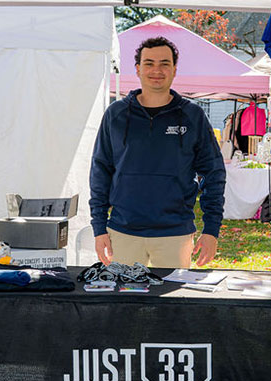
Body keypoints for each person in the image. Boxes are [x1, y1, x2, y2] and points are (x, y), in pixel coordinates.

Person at [89, 37, 226, 268]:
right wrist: (99, 227)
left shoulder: (193, 116)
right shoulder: (116, 114)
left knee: (173, 304)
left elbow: (213, 173)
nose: (156, 70)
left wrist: (211, 229)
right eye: (149, 63)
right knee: (122, 303)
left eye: (164, 63)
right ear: (137, 69)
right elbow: (100, 171)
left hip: (175, 234)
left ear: (174, 70)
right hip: (123, 233)